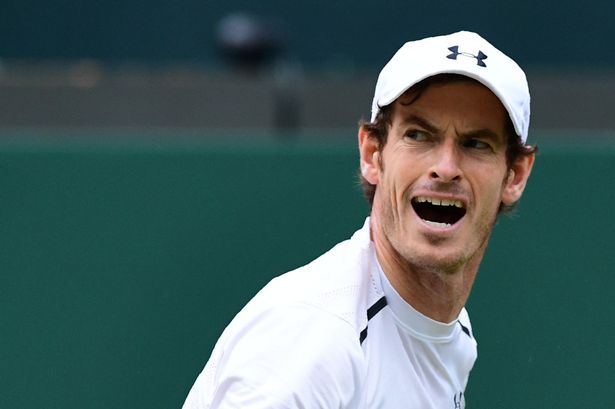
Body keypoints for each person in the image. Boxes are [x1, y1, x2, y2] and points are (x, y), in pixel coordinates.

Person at [183, 30, 536, 409]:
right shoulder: (313, 344)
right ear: (372, 154)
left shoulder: (452, 331)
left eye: (476, 144)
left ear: (514, 175)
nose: (446, 168)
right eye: (419, 135)